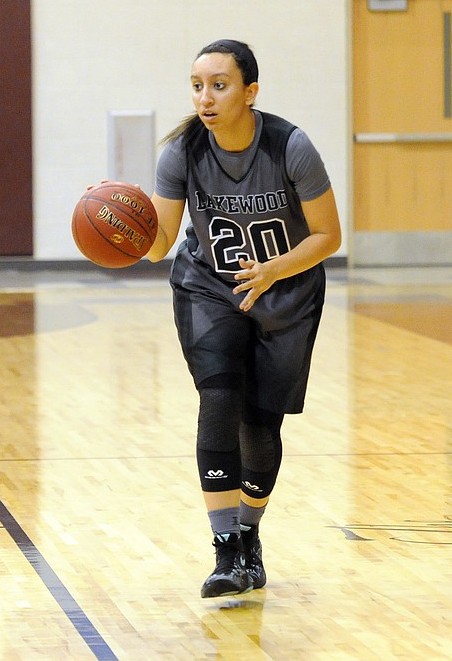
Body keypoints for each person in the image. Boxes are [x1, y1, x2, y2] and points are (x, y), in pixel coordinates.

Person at [145, 40, 342, 597]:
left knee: (260, 426)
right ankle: (226, 548)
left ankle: (249, 534)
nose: (205, 97)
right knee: (219, 398)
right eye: (197, 85)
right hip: (209, 287)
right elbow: (159, 246)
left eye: (219, 85)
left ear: (250, 91)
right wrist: (122, 227)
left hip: (286, 290)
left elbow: (330, 236)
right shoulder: (182, 151)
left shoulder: (291, 146)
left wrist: (274, 270)